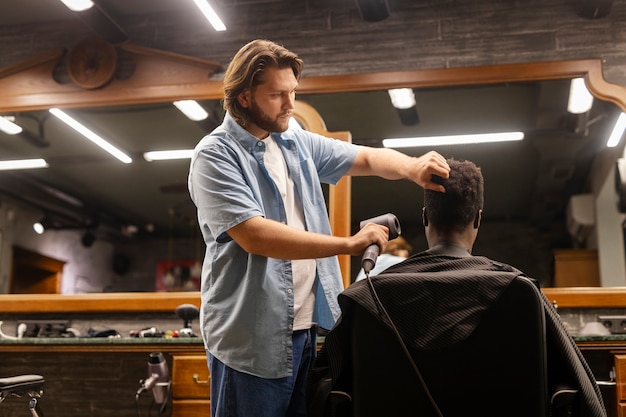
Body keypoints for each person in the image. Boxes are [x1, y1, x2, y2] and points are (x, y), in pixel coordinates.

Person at [187, 39, 450, 417]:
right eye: (278, 95)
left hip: (304, 328)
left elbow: (365, 157)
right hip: (249, 339)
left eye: (293, 92)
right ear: (244, 97)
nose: (290, 105)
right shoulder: (215, 155)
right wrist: (348, 243)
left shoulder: (293, 140)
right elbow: (255, 236)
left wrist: (411, 167)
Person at [308, 158, 606, 417]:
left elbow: (323, 394)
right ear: (478, 219)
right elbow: (584, 397)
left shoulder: (368, 298)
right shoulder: (519, 292)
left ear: (425, 218)